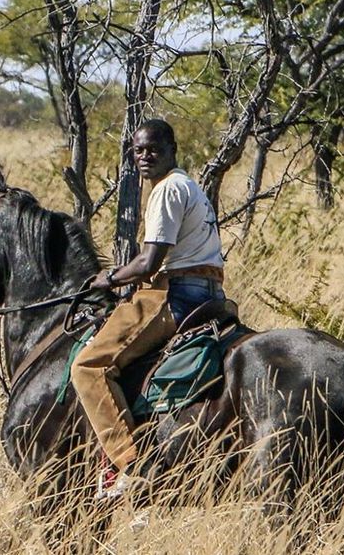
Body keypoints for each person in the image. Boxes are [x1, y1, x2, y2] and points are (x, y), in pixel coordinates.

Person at [70, 118, 227, 499]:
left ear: (172, 149)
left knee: (88, 366)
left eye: (154, 149)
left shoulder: (167, 189)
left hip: (174, 293)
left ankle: (130, 465)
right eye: (139, 150)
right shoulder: (188, 185)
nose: (145, 156)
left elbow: (149, 263)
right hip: (211, 292)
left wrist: (109, 279)